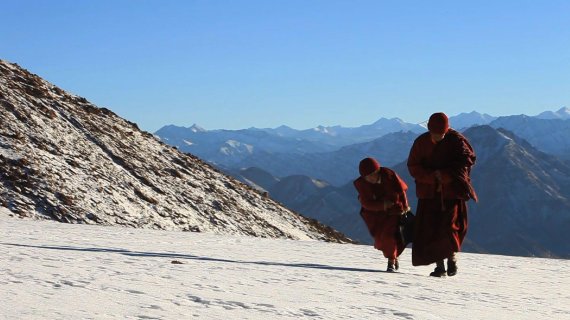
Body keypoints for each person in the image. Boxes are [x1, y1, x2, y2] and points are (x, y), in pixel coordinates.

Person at [407, 112, 478, 277]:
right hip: (429, 193)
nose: (439, 137)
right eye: (435, 134)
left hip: (450, 193)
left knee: (449, 228)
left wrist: (445, 176)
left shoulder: (456, 141)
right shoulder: (421, 143)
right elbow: (413, 166)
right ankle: (439, 266)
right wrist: (432, 177)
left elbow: (466, 162)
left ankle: (451, 257)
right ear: (429, 130)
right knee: (432, 230)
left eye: (442, 134)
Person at [354, 157, 410, 272]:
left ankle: (391, 262)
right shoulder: (362, 184)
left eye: (372, 175)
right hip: (375, 215)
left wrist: (404, 206)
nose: (370, 179)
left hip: (394, 212)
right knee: (380, 240)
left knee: (390, 236)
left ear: (377, 171)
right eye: (367, 177)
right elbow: (366, 203)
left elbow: (401, 191)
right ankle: (393, 256)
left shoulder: (389, 176)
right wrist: (383, 205)